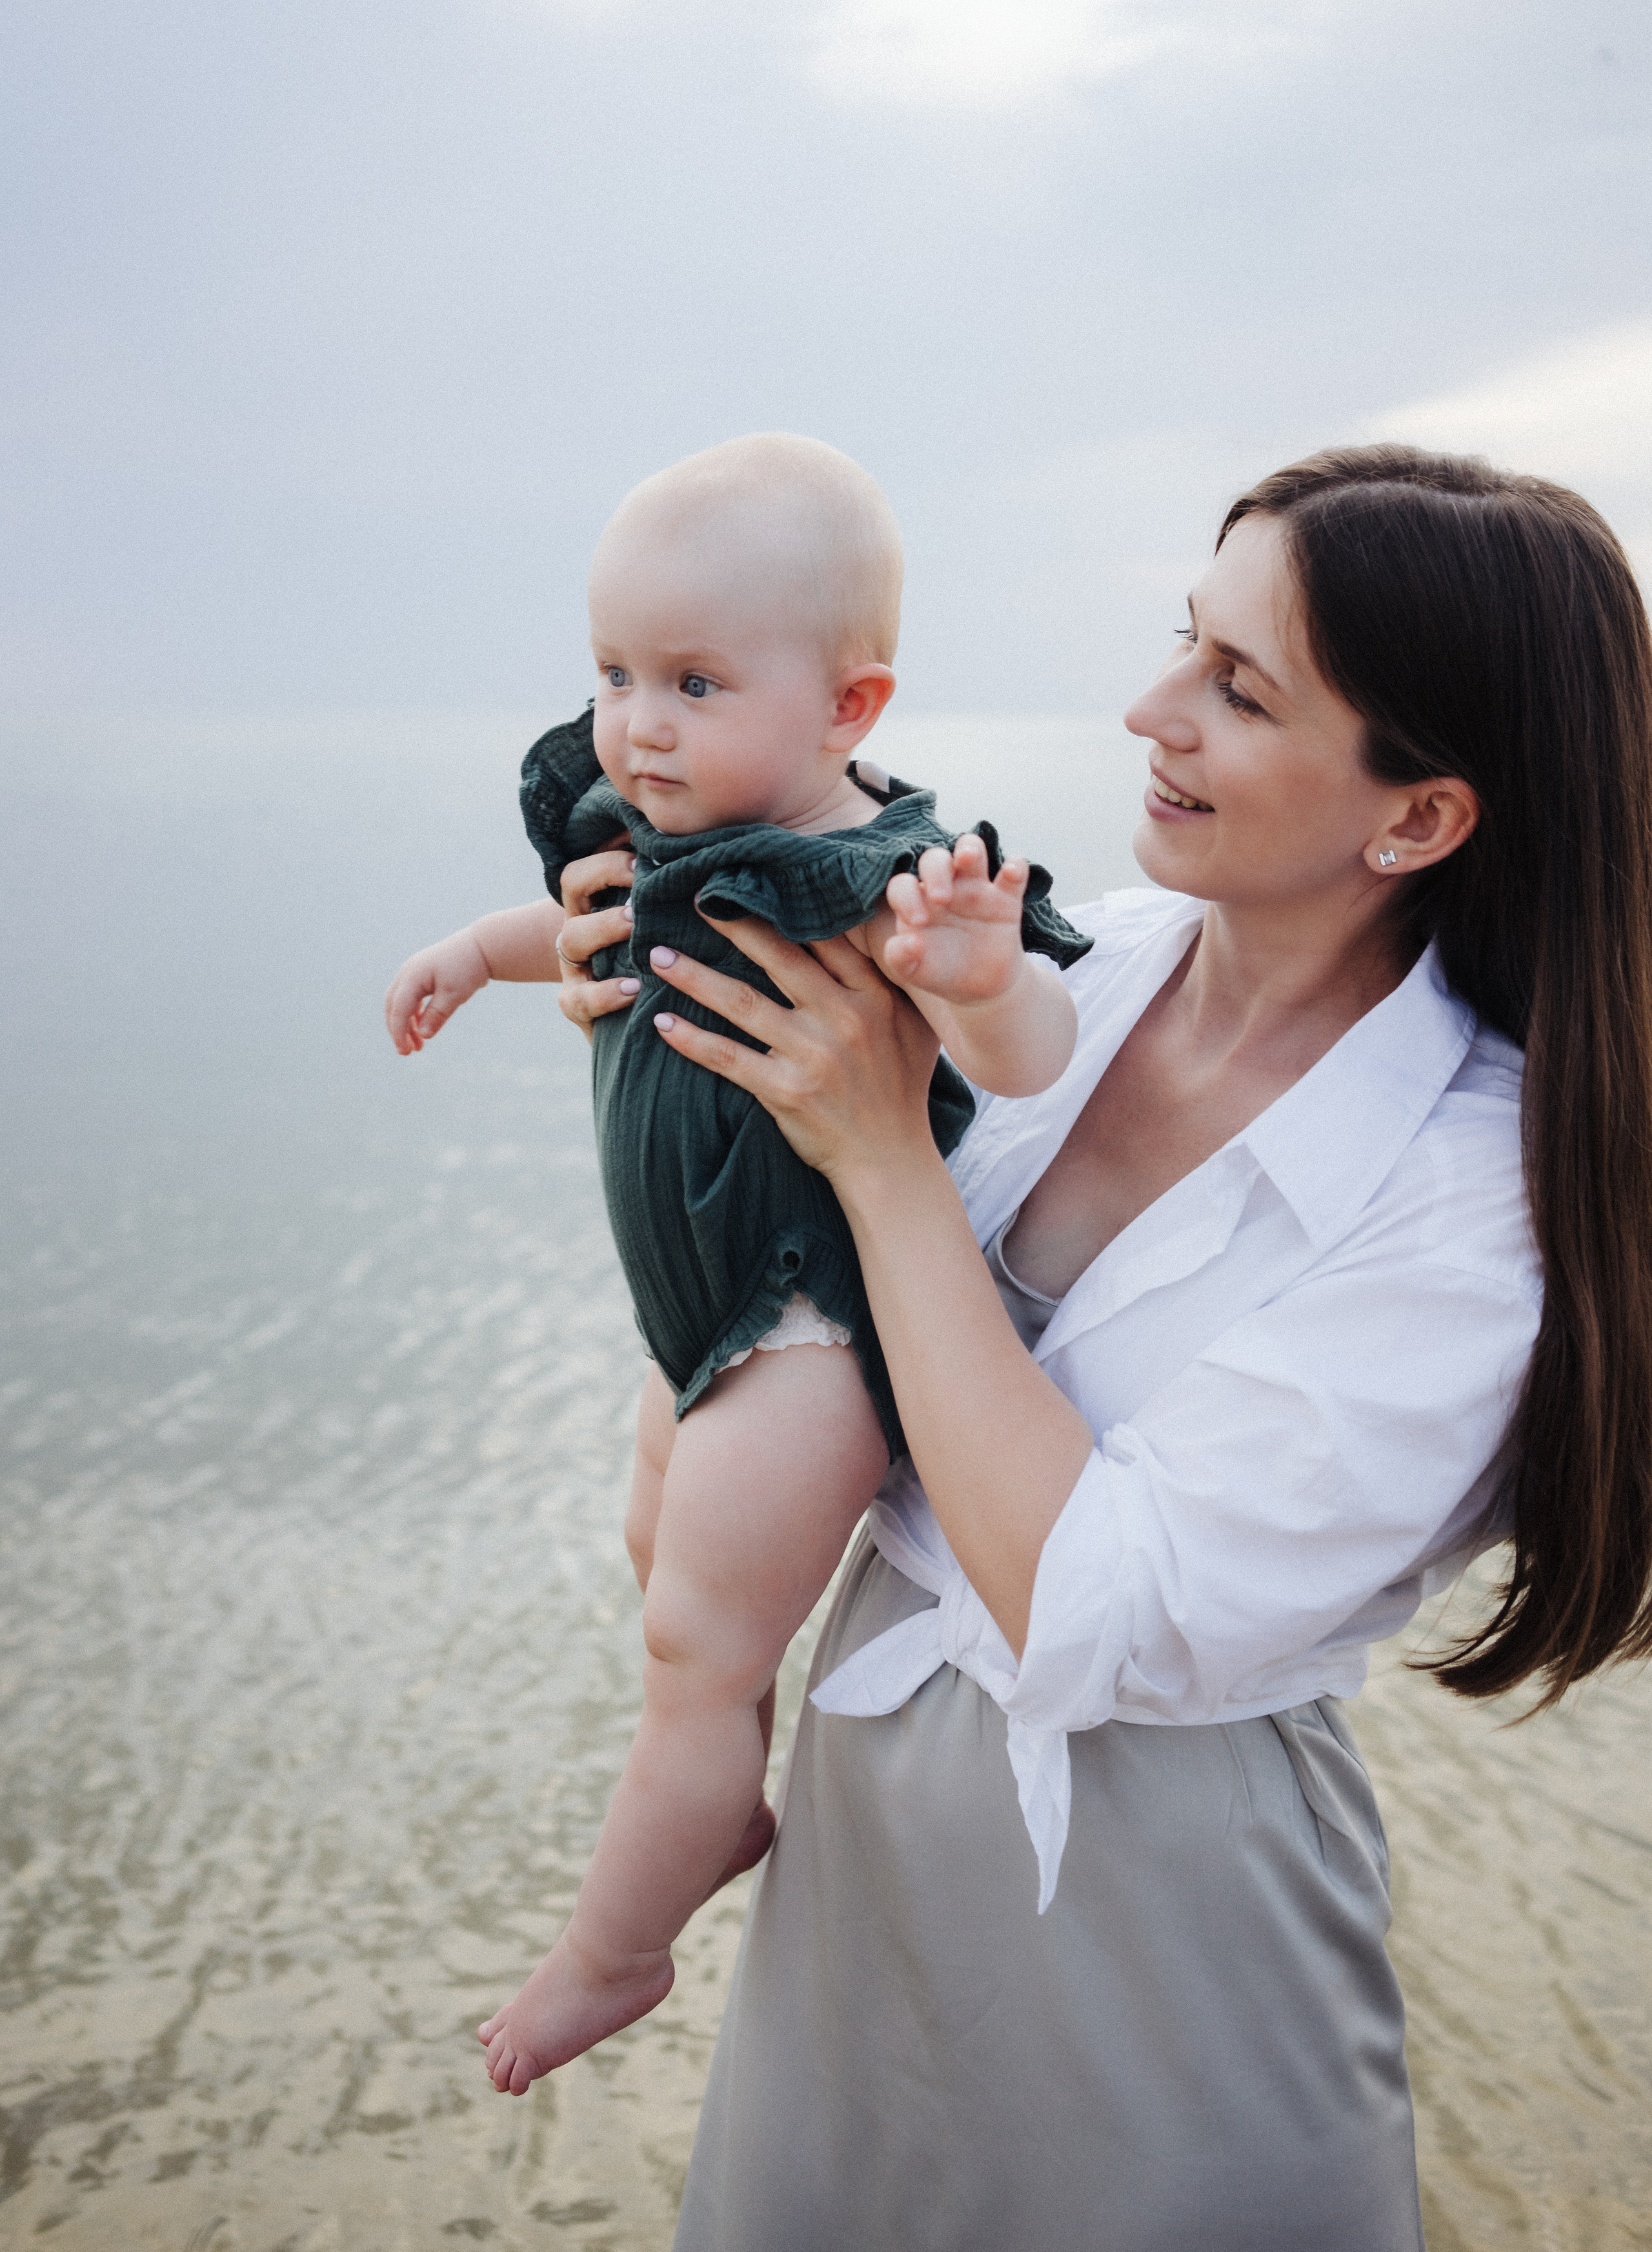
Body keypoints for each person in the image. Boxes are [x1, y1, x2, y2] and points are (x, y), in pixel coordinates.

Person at [552, 445, 1652, 2251]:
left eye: (1240, 690)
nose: (1153, 711)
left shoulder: (1477, 1205)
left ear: (1418, 819)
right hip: (858, 1863)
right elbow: (791, 1306)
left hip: (1157, 1933)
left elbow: (1098, 1609)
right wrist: (666, 1037)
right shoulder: (1067, 968)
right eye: (1181, 641)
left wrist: (878, 1153)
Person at [383, 433, 1091, 2090]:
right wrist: (472, 956)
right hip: (696, 1326)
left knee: (697, 1657)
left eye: (694, 683)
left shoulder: (880, 880)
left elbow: (1030, 1050)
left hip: (806, 1332)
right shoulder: (658, 818)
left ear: (849, 707)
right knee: (657, 1562)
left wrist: (981, 976)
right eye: (615, 674)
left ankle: (614, 1953)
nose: (639, 723)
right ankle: (715, 1811)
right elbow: (588, 920)